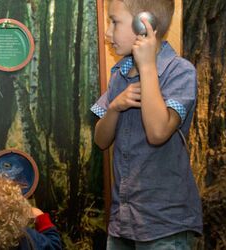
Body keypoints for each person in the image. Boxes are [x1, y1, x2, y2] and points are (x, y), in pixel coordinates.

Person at [91, 0, 202, 249]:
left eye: (114, 22)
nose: (107, 33)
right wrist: (115, 107)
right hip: (123, 221)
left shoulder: (180, 72)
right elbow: (100, 140)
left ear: (145, 24)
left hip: (165, 224)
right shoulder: (120, 73)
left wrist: (148, 65)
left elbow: (158, 132)